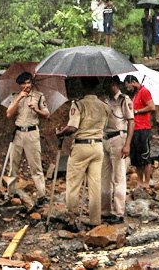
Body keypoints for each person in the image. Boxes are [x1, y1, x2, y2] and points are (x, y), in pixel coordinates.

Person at [56, 76, 110, 232]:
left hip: (81, 146)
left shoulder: (78, 105)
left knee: (73, 185)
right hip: (98, 147)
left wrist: (60, 133)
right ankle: (95, 220)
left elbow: (72, 127)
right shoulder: (104, 106)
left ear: (83, 87)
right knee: (95, 185)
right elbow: (105, 126)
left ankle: (72, 220)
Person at [4, 71, 49, 205]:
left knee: (36, 166)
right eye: (24, 83)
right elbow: (8, 115)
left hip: (32, 133)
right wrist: (18, 99)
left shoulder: (39, 96)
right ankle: (10, 193)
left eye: (29, 82)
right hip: (18, 133)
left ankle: (42, 195)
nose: (26, 85)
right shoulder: (14, 97)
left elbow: (46, 115)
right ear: (19, 85)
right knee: (13, 165)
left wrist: (36, 109)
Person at [101, 76, 134, 225]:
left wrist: (127, 144)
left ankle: (118, 211)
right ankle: (105, 210)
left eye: (108, 83)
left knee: (119, 176)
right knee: (105, 176)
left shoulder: (123, 100)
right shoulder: (105, 101)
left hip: (118, 138)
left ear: (113, 84)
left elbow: (131, 122)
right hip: (105, 138)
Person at [124, 75, 155, 189]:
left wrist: (136, 111)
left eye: (128, 87)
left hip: (143, 128)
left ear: (133, 82)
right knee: (136, 159)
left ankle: (146, 182)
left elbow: (152, 107)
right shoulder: (135, 95)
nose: (128, 89)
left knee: (145, 157)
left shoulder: (144, 91)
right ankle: (139, 182)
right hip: (134, 129)